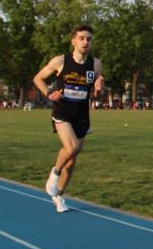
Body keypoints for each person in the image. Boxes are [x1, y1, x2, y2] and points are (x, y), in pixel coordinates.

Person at [32, 24, 104, 213]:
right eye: (81, 38)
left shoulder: (96, 64)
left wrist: (99, 88)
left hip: (82, 114)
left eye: (89, 39)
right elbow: (38, 78)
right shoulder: (60, 61)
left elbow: (96, 94)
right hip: (62, 111)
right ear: (73, 41)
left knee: (71, 160)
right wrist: (49, 92)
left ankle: (59, 195)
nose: (85, 42)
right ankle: (54, 174)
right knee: (71, 147)